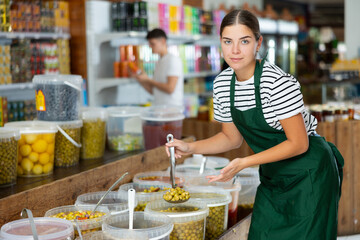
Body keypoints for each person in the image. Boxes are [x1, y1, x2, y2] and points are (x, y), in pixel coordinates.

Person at [166, 9, 343, 239]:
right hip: (273, 175)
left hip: (310, 174)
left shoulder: (277, 82)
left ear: (258, 43)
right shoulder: (221, 85)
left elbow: (299, 144)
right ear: (220, 42)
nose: (235, 50)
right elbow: (231, 137)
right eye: (228, 41)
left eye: (244, 41)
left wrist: (244, 162)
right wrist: (191, 148)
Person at [131, 28, 184, 106]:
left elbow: (170, 88)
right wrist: (141, 79)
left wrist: (148, 80)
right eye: (149, 44)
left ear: (163, 41)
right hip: (159, 110)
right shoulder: (159, 62)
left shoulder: (173, 60)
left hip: (172, 110)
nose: (150, 47)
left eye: (152, 44)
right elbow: (153, 91)